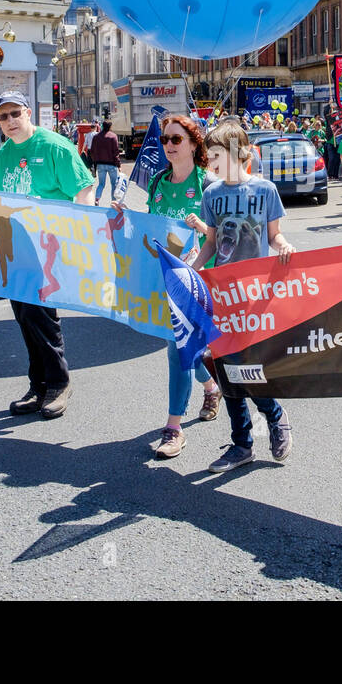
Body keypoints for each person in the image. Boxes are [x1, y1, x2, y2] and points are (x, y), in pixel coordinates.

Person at [0, 91, 95, 418]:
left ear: (27, 112)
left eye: (14, 114)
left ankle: (57, 384)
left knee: (41, 317)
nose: (9, 122)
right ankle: (38, 386)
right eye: (2, 117)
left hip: (46, 248)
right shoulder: (6, 153)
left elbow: (84, 191)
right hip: (14, 248)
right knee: (24, 318)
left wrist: (79, 241)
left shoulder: (54, 147)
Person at [196, 121, 296, 473]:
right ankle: (241, 444)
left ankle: (274, 415)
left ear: (239, 152)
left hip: (255, 295)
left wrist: (285, 248)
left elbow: (275, 237)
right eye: (209, 156)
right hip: (222, 294)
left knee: (250, 367)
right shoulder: (211, 194)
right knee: (226, 368)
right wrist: (191, 271)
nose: (210, 161)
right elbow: (210, 241)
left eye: (216, 155)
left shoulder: (265, 190)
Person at [132, 116, 225, 459]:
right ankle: (211, 386)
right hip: (166, 277)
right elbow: (149, 226)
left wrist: (194, 261)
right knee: (187, 348)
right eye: (164, 139)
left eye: (176, 139)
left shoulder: (209, 183)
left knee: (176, 347)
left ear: (193, 142)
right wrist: (119, 220)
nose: (169, 145)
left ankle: (174, 428)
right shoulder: (158, 182)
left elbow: (219, 238)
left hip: (200, 280)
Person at [87, 120, 122, 203]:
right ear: (110, 127)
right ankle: (114, 202)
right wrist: (118, 164)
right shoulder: (113, 136)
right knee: (114, 184)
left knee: (101, 184)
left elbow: (92, 151)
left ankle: (97, 199)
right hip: (112, 164)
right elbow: (116, 152)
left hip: (100, 164)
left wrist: (95, 160)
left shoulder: (96, 137)